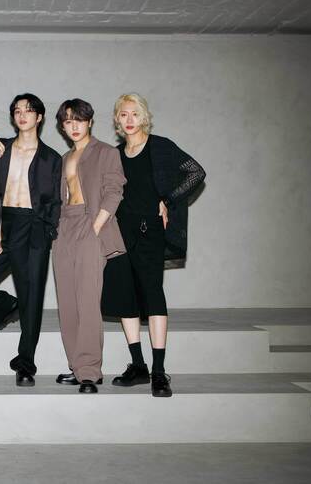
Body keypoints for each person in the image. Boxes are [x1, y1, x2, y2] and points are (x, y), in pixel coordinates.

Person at [102, 93, 205, 397]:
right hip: (121, 232)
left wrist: (168, 200)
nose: (129, 120)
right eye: (124, 114)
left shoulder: (160, 146)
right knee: (126, 295)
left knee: (153, 294)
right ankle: (138, 366)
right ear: (117, 119)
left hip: (150, 231)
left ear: (144, 117)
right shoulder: (115, 155)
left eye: (135, 113)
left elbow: (196, 172)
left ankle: (159, 372)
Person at [0, 93, 62, 386]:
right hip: (4, 223)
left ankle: (26, 364)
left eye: (28, 110)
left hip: (35, 227)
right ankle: (9, 304)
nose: (22, 115)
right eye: (17, 110)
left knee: (33, 296)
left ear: (39, 117)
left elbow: (56, 200)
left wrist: (48, 230)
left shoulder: (51, 158)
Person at [53, 98, 126, 394]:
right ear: (62, 126)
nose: (74, 126)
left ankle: (90, 372)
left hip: (90, 223)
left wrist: (96, 227)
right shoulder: (64, 157)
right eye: (68, 121)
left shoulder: (106, 152)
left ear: (90, 122)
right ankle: (76, 365)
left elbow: (114, 191)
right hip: (64, 227)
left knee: (87, 300)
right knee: (67, 302)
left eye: (79, 120)